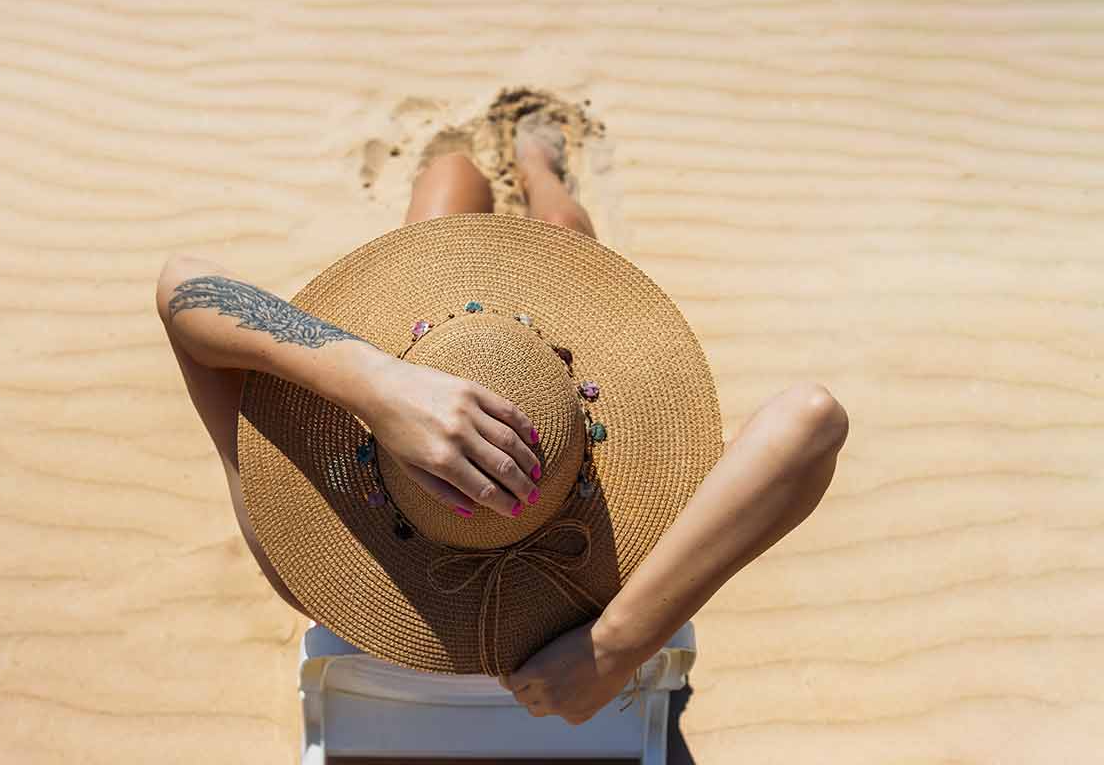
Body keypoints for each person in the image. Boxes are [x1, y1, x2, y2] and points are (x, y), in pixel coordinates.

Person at [155, 116, 849, 726]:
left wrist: (382, 381)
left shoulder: (292, 560)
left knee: (438, 207)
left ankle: (458, 173)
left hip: (411, 398)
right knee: (565, 235)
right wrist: (612, 647)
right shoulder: (638, 567)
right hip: (599, 616)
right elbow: (811, 421)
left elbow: (181, 287)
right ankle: (540, 171)